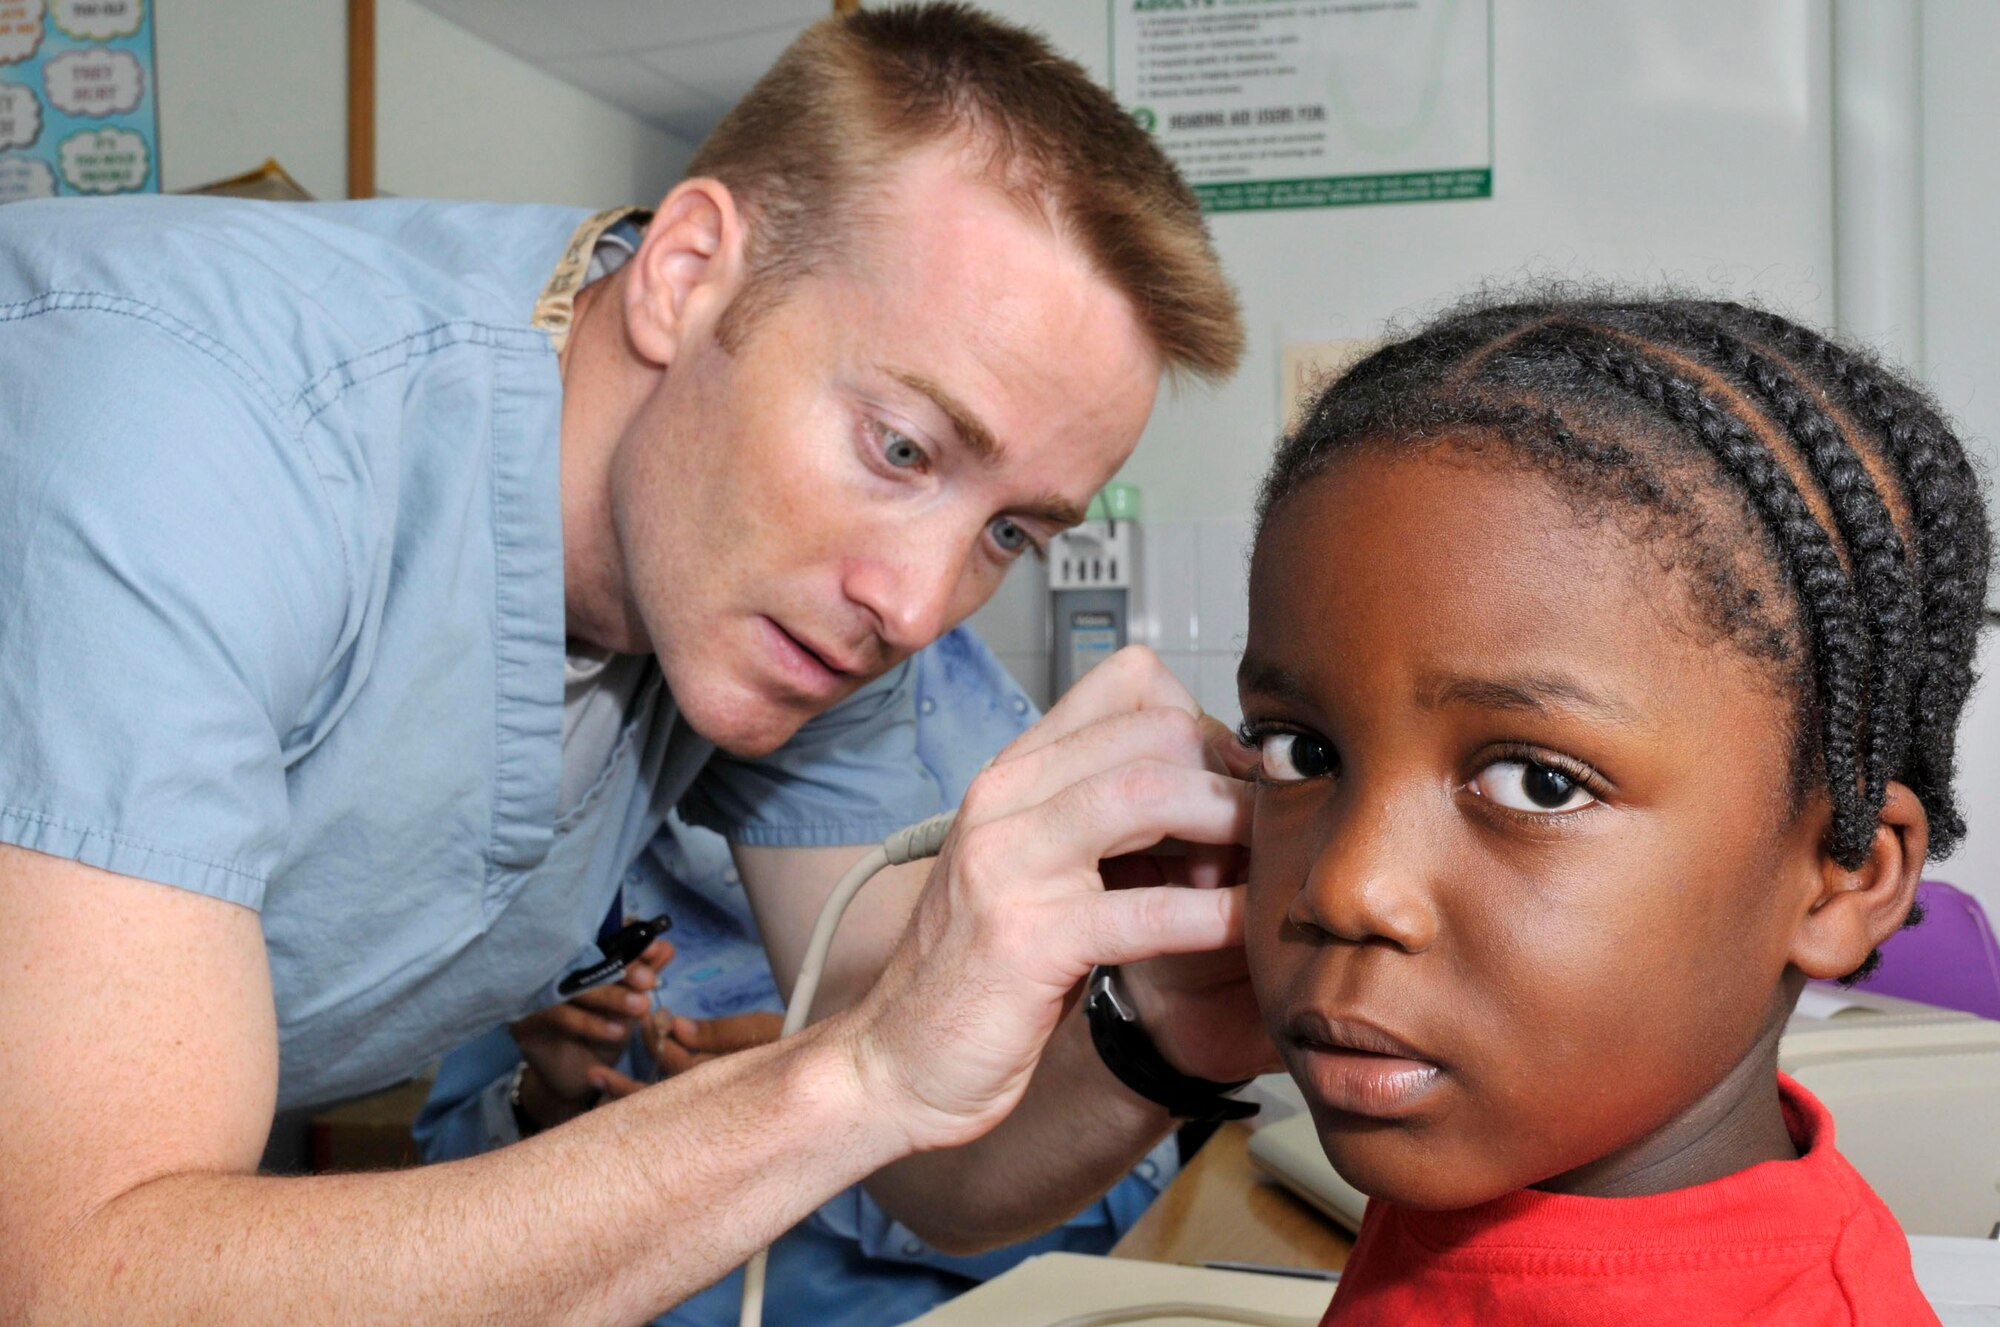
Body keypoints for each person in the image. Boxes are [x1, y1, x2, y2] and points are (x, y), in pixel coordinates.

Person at [0, 7, 1269, 1322]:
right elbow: (80, 1283)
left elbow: (933, 1155)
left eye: (1007, 529)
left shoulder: (809, 596)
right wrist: (851, 1076)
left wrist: (1159, 1015)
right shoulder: (193, 432)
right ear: (685, 273)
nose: (916, 604)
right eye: (900, 448)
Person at [1235, 295, 1989, 1324]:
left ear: (1840, 876)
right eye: (1301, 751)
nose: (1346, 887)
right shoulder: (1502, 1162)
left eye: (1538, 782)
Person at [416, 627, 1181, 1327]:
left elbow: (1116, 1194)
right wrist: (551, 1096)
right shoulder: (551, 768)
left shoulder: (952, 727)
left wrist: (801, 1100)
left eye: (1008, 533)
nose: (906, 598)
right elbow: (439, 1220)